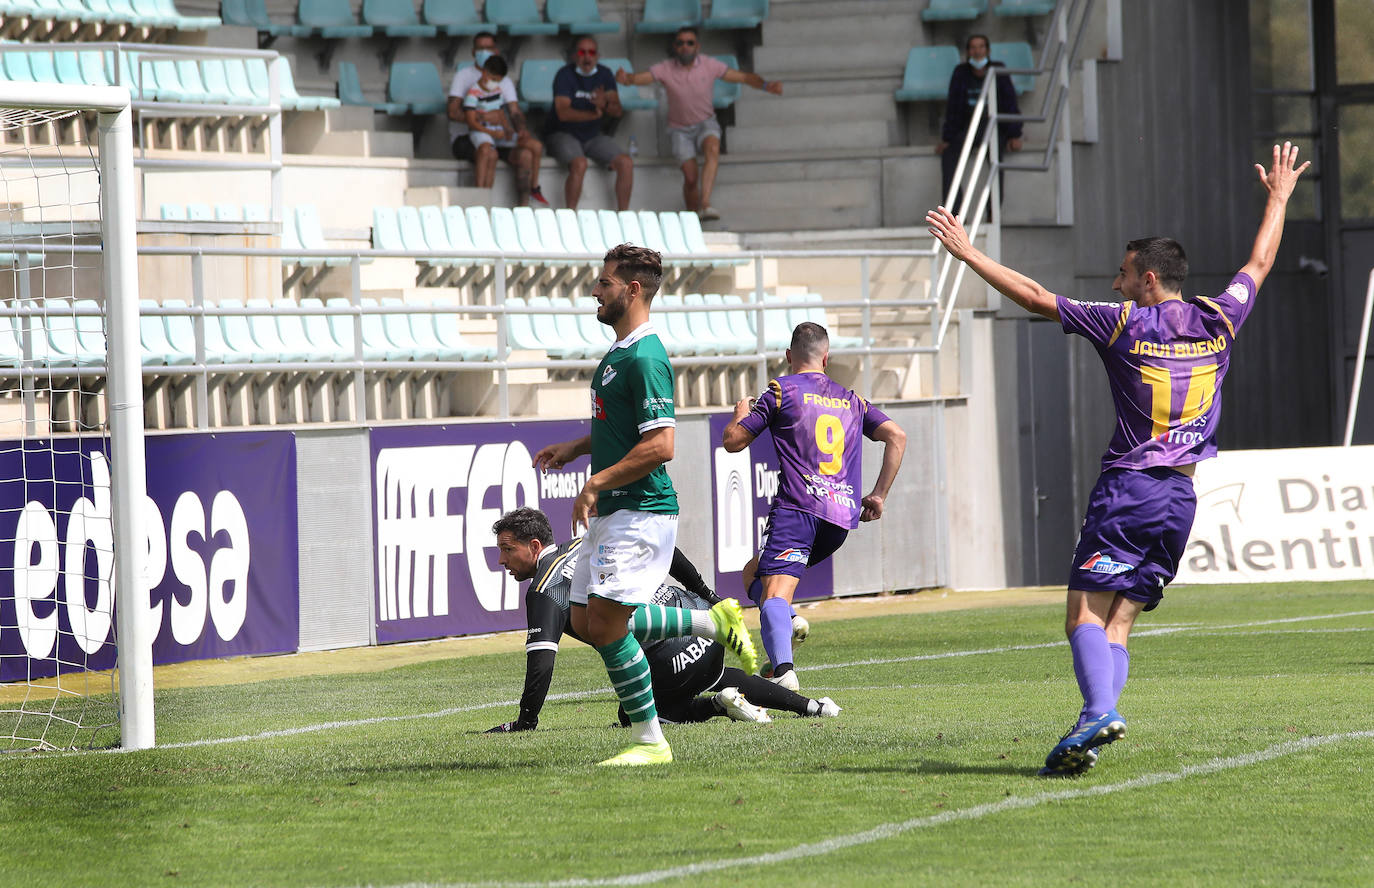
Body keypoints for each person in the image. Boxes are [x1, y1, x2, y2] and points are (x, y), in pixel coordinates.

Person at [924, 142, 1310, 777]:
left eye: (1124, 273)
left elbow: (1034, 297)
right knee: (1120, 622)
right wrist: (1278, 198)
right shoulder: (1221, 318)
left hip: (1128, 491)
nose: (1116, 281)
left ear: (1148, 280)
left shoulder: (1123, 323)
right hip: (1182, 499)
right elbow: (1260, 262)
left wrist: (968, 254)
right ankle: (1091, 721)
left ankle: (1098, 712)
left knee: (1081, 610)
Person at [533, 243, 759, 766]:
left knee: (609, 627)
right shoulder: (619, 354)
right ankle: (709, 622)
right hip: (618, 509)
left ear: (632, 290)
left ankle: (649, 741)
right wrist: (578, 447)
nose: (595, 290)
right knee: (589, 621)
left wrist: (595, 483)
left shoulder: (646, 356)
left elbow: (661, 445)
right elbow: (623, 432)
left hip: (639, 511)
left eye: (605, 283)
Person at [484, 507, 840, 734]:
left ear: (533, 546)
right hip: (699, 620)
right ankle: (813, 706)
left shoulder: (545, 589)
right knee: (714, 674)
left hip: (669, 659)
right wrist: (710, 596)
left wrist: (526, 722)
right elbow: (663, 549)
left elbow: (541, 664)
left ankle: (717, 705)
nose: (502, 560)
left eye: (507, 550)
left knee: (633, 715)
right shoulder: (587, 542)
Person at [721, 322, 907, 692]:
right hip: (838, 520)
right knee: (751, 574)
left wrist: (740, 414)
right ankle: (788, 620)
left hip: (797, 510)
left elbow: (733, 442)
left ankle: (783, 672)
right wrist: (879, 495)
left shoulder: (780, 392)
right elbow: (896, 436)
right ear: (826, 358)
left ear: (789, 356)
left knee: (772, 592)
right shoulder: (853, 400)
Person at [615, 27, 783, 221]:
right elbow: (639, 78)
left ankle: (705, 204)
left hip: (705, 122)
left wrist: (765, 85)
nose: (685, 47)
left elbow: (743, 77)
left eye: (690, 42)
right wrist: (625, 79)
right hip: (679, 129)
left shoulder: (709, 65)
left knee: (712, 147)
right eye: (680, 43)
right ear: (675, 47)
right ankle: (693, 217)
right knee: (690, 178)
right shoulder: (665, 68)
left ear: (698, 46)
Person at [446, 32, 547, 206]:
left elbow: (514, 112)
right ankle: (481, 203)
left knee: (527, 154)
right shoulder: (463, 77)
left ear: (496, 51)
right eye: (480, 48)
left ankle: (524, 207)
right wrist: (484, 117)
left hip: (497, 135)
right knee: (488, 152)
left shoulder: (503, 81)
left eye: (488, 48)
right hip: (467, 138)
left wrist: (520, 130)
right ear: (473, 52)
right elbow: (453, 112)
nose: (484, 52)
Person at [547, 35, 634, 211]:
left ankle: (624, 216)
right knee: (580, 163)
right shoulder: (564, 75)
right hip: (563, 134)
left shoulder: (605, 74)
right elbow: (563, 114)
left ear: (598, 55)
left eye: (591, 52)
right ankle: (570, 215)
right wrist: (593, 114)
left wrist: (605, 104)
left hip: (593, 136)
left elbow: (616, 111)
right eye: (582, 52)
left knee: (626, 163)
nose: (587, 57)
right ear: (574, 56)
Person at [936, 34, 1023, 208]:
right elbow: (953, 107)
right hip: (968, 128)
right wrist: (948, 138)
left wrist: (1014, 134)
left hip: (993, 127)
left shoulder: (998, 70)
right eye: (973, 47)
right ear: (968, 52)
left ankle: (993, 210)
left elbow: (1010, 102)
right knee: (949, 155)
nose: (977, 51)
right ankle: (953, 213)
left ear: (988, 50)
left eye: (981, 46)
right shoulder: (960, 73)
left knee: (996, 155)